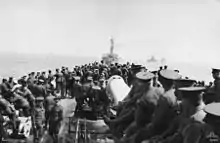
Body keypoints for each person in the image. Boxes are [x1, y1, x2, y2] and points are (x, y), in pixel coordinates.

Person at [134, 69, 181, 143]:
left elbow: (157, 121)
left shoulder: (165, 97)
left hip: (160, 129)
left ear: (162, 81)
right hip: (169, 128)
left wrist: (147, 128)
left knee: (138, 136)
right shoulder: (174, 94)